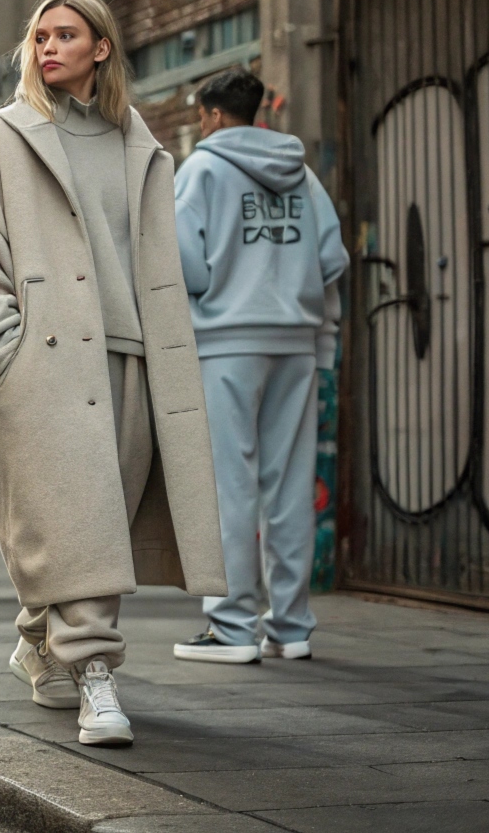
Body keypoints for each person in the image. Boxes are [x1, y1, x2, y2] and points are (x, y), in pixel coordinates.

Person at [0, 0, 227, 747]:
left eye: (65, 35)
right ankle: (96, 677)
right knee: (75, 521)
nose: (48, 48)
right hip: (44, 364)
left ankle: (39, 641)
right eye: (39, 36)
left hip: (131, 361)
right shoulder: (9, 136)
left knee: (98, 525)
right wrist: (8, 349)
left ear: (101, 47)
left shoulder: (139, 143)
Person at [170, 67, 347, 665]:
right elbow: (331, 257)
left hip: (226, 341)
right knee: (289, 482)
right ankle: (291, 625)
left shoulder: (201, 169)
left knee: (230, 483)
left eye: (202, 115)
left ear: (213, 115)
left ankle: (233, 628)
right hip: (296, 341)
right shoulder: (303, 175)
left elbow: (183, 263)